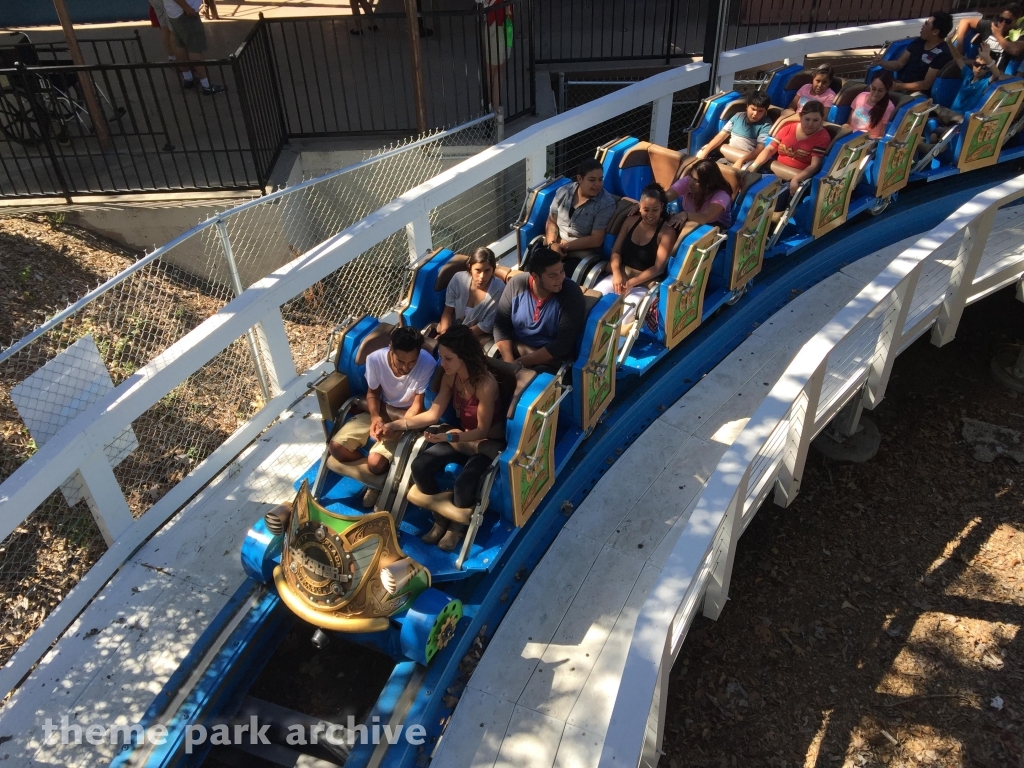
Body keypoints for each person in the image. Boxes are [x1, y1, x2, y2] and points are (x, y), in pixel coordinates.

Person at [397, 325, 507, 551]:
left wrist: (448, 437)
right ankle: (440, 517)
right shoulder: (451, 376)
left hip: (484, 443)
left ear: (464, 357)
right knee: (420, 466)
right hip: (460, 437)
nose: (442, 363)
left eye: (447, 358)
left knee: (464, 483)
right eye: (441, 358)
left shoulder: (485, 384)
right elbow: (433, 413)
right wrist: (398, 425)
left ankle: (456, 527)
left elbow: (482, 431)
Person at [328, 325, 436, 507]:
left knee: (376, 464)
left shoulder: (427, 363)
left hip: (406, 418)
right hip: (382, 409)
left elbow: (417, 405)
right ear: (391, 348)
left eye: (412, 362)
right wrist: (375, 417)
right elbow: (373, 394)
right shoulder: (375, 359)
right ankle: (374, 480)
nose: (406, 368)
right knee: (336, 448)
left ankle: (376, 479)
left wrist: (398, 427)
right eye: (400, 361)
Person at [492, 246, 587, 372]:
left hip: (550, 360)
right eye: (552, 276)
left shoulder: (571, 294)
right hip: (515, 350)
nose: (560, 279)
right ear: (535, 276)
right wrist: (509, 364)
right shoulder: (516, 284)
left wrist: (519, 363)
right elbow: (501, 326)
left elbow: (563, 344)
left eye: (562, 272)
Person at [594, 183, 675, 328]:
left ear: (662, 208)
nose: (650, 215)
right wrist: (617, 273)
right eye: (646, 210)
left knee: (623, 317)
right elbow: (616, 252)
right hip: (620, 276)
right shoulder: (630, 221)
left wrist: (631, 283)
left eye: (655, 210)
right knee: (596, 301)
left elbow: (658, 268)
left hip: (643, 284)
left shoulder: (666, 232)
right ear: (639, 207)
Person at [545, 158, 617, 278]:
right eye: (592, 180)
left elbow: (596, 239)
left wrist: (564, 246)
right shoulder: (563, 192)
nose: (597, 184)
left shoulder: (606, 203)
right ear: (580, 179)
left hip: (581, 255)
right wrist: (552, 243)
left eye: (600, 179)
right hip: (555, 245)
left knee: (558, 277)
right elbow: (552, 220)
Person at [749, 99, 831, 199]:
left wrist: (796, 179)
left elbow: (815, 165)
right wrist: (755, 165)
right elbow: (770, 149)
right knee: (751, 186)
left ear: (822, 119)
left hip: (796, 178)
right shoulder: (788, 128)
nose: (810, 124)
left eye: (815, 120)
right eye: (807, 119)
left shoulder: (822, 137)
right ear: (801, 117)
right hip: (773, 170)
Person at [872, 11, 954, 96]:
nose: (923, 26)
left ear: (935, 31)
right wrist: (881, 62)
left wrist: (899, 86)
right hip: (900, 85)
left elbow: (926, 84)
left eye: (927, 24)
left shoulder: (943, 54)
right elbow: (899, 63)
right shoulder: (918, 42)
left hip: (918, 93)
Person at [436, 247, 506, 340]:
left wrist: (455, 339)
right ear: (470, 267)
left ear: (493, 269)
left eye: (487, 271)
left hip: (478, 336)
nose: (482, 276)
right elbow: (448, 312)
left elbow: (487, 325)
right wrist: (445, 335)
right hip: (453, 331)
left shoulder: (498, 288)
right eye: (478, 270)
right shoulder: (458, 279)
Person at [695, 91, 773, 168]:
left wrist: (741, 160)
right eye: (753, 109)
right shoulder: (737, 116)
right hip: (726, 155)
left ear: (765, 111)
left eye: (760, 111)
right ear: (747, 106)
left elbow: (760, 149)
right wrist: (706, 151)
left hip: (746, 160)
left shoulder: (766, 124)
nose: (755, 114)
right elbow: (721, 136)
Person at [164, 0, 226, 95]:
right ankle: (206, 85)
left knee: (181, 45)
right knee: (195, 48)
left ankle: (188, 78)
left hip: (175, 12)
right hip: (185, 12)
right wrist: (188, 9)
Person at [477, 0, 513, 112]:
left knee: (491, 68)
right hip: (505, 23)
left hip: (495, 25)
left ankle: (489, 103)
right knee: (497, 69)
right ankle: (495, 110)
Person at [844, 73, 896, 139]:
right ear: (870, 86)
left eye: (880, 91)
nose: (875, 93)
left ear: (886, 90)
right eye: (874, 89)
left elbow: (882, 136)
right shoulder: (861, 96)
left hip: (868, 142)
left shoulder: (888, 107)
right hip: (851, 136)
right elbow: (849, 122)